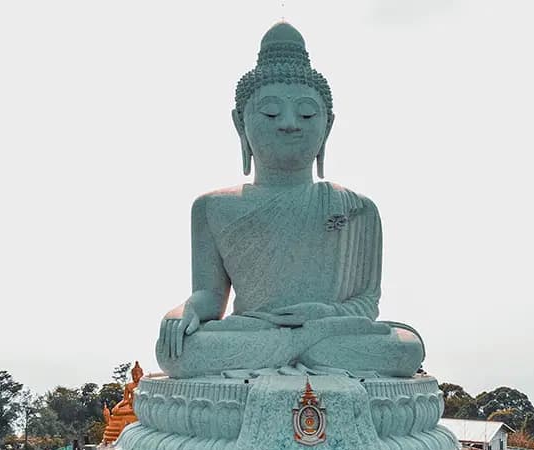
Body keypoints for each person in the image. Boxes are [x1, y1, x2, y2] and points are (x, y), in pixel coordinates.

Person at [154, 22, 424, 380]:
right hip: (251, 332)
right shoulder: (212, 207)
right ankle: (303, 353)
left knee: (406, 348)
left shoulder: (358, 208)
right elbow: (209, 296)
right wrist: (183, 311)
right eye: (270, 112)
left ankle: (296, 350)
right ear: (240, 124)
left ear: (327, 126)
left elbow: (366, 303)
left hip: (328, 330)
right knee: (175, 351)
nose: (289, 123)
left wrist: (321, 316)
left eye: (307, 113)